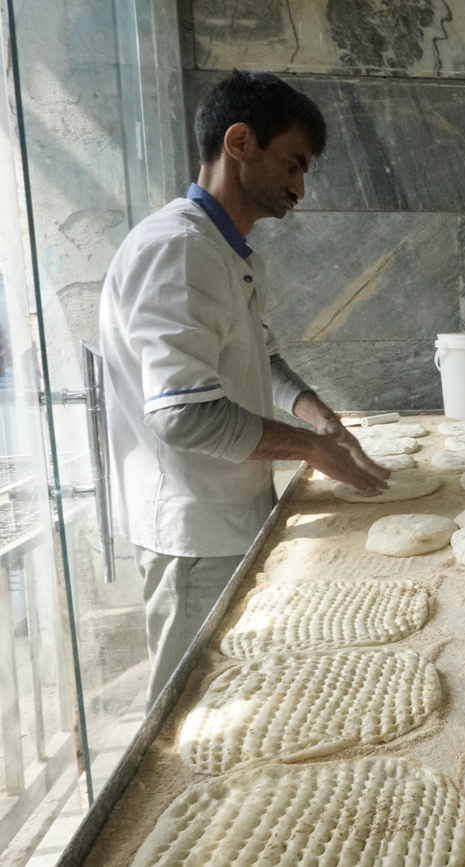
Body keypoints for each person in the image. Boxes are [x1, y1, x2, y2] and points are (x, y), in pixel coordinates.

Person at [99, 70, 391, 703]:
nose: (300, 188)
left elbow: (262, 361)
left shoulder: (227, 252)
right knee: (187, 715)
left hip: (231, 509)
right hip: (194, 529)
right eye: (293, 164)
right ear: (239, 142)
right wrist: (313, 452)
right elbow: (182, 416)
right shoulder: (178, 250)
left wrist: (319, 418)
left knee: (235, 695)